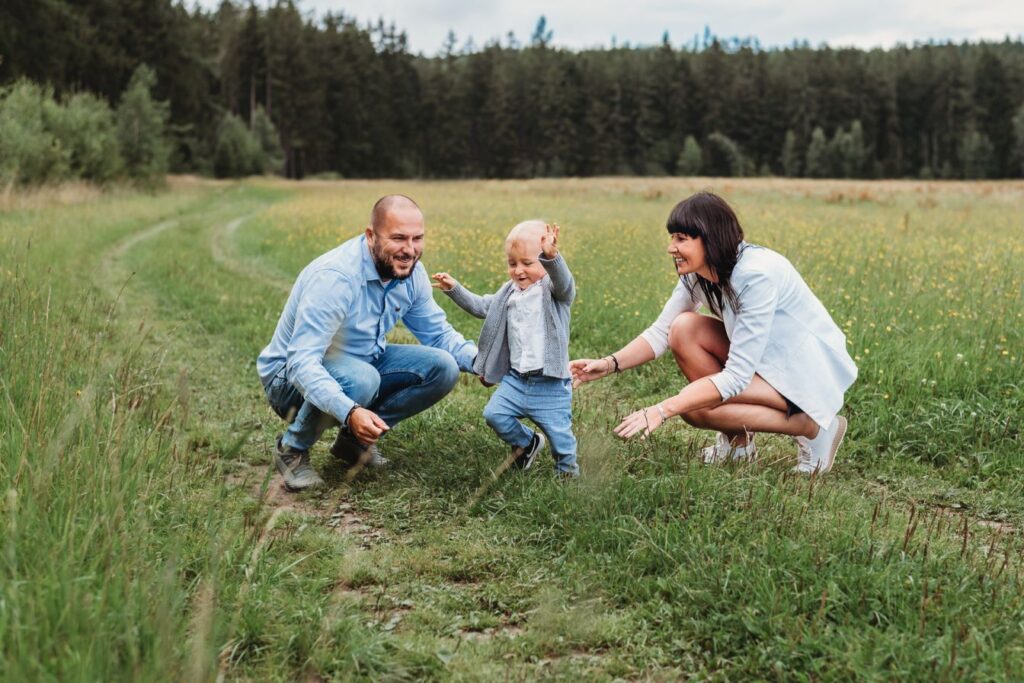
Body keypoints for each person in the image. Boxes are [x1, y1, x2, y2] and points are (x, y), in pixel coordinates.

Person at [570, 191, 857, 474]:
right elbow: (660, 332)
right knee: (683, 328)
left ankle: (814, 427)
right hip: (767, 364)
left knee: (695, 409)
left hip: (804, 374)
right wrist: (608, 364)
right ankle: (738, 446)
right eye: (672, 238)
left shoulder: (756, 275)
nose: (671, 248)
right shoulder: (699, 274)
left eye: (681, 239)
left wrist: (662, 409)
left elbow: (736, 376)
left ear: (711, 238)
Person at [257, 195, 478, 491]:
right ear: (371, 236)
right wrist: (350, 410)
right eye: (398, 238)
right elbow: (300, 363)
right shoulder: (336, 278)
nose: (409, 250)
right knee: (363, 379)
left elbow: (439, 336)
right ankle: (293, 449)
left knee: (444, 367)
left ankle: (352, 443)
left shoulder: (412, 273)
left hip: (360, 365)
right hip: (287, 382)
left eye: (417, 239)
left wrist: (484, 364)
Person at [432, 221, 579, 477]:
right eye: (512, 264)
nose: (519, 271)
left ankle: (567, 476)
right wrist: (454, 289)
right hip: (517, 379)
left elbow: (565, 284)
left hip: (550, 384)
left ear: (543, 262)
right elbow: (480, 307)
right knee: (494, 415)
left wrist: (553, 257)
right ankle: (527, 442)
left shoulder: (554, 292)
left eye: (528, 263)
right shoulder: (507, 293)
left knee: (561, 438)